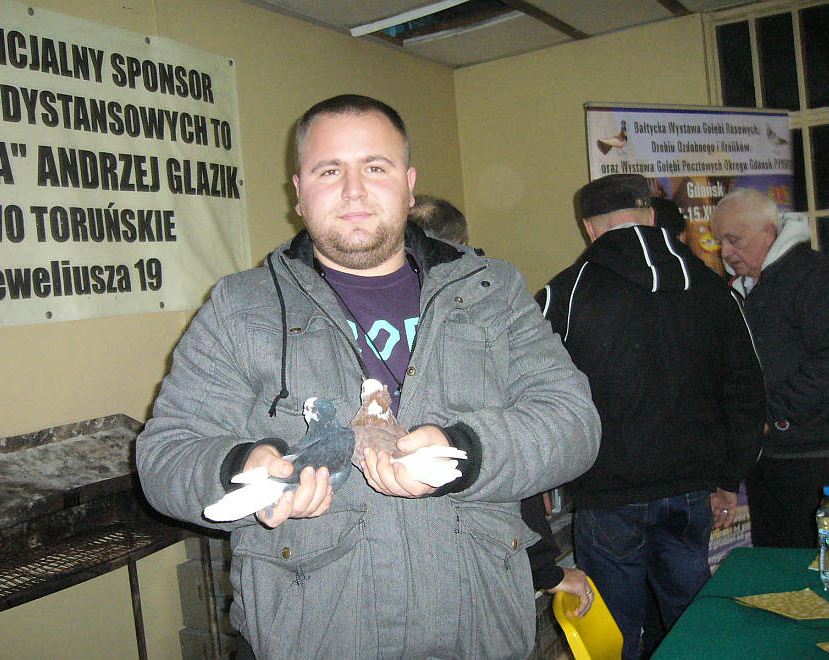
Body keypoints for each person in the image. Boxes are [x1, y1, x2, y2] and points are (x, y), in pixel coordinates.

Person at [136, 94, 601, 659]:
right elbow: (164, 456)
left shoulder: (492, 292)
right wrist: (242, 468)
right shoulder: (240, 307)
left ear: (408, 185)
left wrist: (464, 452)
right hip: (317, 640)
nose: (353, 190)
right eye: (329, 170)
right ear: (298, 192)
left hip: (479, 635)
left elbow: (573, 424)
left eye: (375, 168)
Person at [536, 173, 765, 659]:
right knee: (689, 623)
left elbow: (535, 395)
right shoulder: (713, 287)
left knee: (613, 630)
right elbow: (746, 391)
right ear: (650, 215)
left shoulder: (565, 293)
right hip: (691, 490)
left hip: (606, 494)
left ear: (588, 227)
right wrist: (729, 477)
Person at [410, 192, 594, 615]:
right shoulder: (488, 301)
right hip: (476, 568)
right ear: (462, 241)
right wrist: (547, 571)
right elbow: (509, 453)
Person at [711, 188, 829, 548]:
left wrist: (772, 413)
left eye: (734, 240)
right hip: (766, 458)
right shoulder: (745, 287)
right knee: (775, 567)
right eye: (720, 242)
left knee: (808, 569)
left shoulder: (812, 276)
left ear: (769, 232)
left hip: (813, 459)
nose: (725, 252)